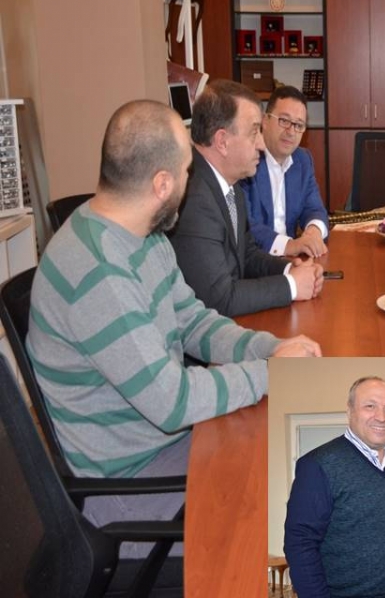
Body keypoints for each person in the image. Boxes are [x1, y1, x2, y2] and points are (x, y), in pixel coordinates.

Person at [26, 100, 320, 553]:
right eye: (186, 172)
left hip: (168, 448)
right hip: (132, 490)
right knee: (285, 514)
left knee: (295, 463)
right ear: (162, 184)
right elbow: (173, 401)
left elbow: (194, 322)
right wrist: (270, 373)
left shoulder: (142, 236)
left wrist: (268, 348)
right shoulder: (99, 272)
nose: (191, 183)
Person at [169, 79, 324, 317]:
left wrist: (290, 269)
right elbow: (219, 298)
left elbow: (247, 254)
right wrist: (292, 286)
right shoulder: (194, 197)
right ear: (222, 142)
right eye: (254, 132)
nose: (261, 144)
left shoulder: (230, 185)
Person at [284, 376, 385, 598]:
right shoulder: (319, 465)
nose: (381, 416)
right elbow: (300, 543)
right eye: (370, 406)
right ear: (350, 411)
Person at [240, 85, 329, 258]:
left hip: (291, 260)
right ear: (265, 120)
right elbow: (245, 226)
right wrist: (290, 245)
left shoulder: (302, 160)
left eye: (298, 125)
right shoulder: (248, 160)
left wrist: (314, 232)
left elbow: (315, 209)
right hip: (256, 260)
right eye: (284, 121)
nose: (291, 131)